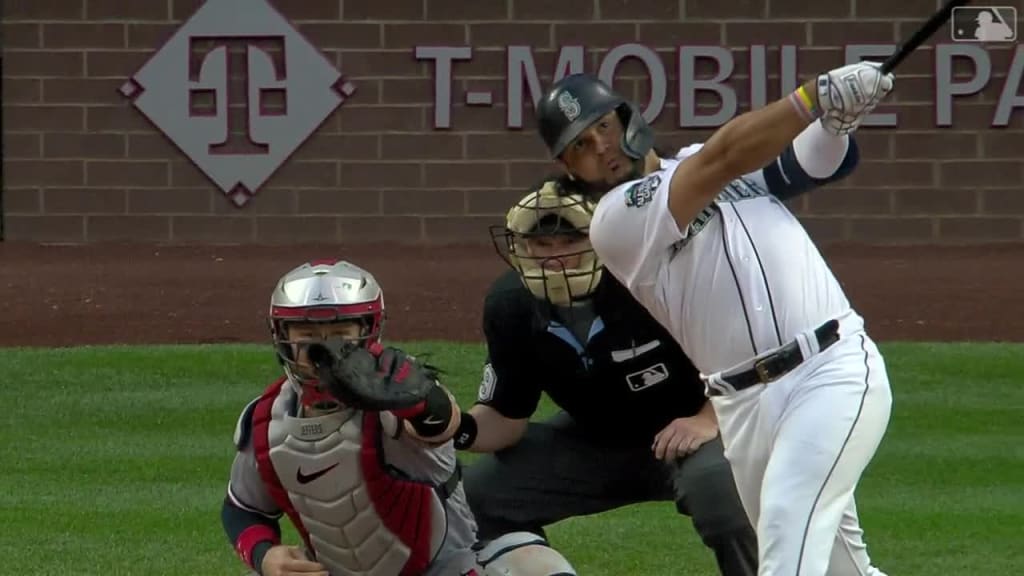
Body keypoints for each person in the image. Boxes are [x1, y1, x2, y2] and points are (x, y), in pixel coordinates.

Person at [530, 66, 896, 576]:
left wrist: (835, 125)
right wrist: (813, 98)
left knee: (787, 546)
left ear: (626, 118)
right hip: (743, 412)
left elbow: (806, 166)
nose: (601, 147)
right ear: (569, 168)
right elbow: (724, 158)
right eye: (581, 146)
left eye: (603, 128)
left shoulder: (705, 162)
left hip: (827, 371)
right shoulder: (615, 222)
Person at [456, 179, 758, 576]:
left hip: (691, 431)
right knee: (473, 498)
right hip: (594, 443)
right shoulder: (511, 304)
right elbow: (504, 420)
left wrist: (708, 419)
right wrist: (443, 423)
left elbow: (749, 361)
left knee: (723, 497)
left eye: (569, 241)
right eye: (542, 245)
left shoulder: (655, 279)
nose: (554, 259)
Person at [219, 259, 576, 576]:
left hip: (446, 569)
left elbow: (438, 422)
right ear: (282, 337)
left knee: (535, 564)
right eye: (308, 334)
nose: (323, 348)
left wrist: (419, 399)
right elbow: (243, 509)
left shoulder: (399, 396)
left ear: (368, 332)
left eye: (341, 334)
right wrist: (264, 555)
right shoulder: (267, 420)